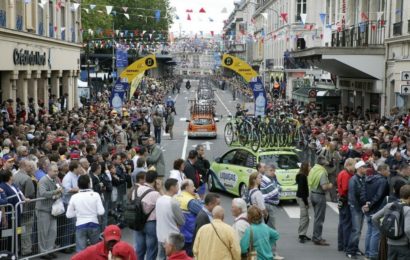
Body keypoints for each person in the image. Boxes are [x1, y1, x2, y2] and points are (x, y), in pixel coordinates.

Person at [66, 175, 105, 252]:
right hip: (94, 223)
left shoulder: (74, 197)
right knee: (96, 250)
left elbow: (68, 214)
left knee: (81, 252)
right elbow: (101, 211)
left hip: (80, 225)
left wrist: (78, 212)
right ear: (89, 184)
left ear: (78, 185)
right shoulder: (96, 195)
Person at [372, 184, 410, 259]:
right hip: (403, 244)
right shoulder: (407, 209)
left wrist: (384, 231)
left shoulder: (389, 205)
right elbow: (407, 229)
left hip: (390, 242)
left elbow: (374, 218)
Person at [360, 163, 390, 259]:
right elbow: (379, 195)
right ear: (383, 170)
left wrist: (365, 203)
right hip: (377, 209)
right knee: (375, 232)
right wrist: (370, 204)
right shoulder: (383, 181)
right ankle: (372, 254)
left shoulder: (368, 179)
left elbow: (363, 192)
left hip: (368, 208)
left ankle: (368, 253)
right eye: (388, 170)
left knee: (369, 231)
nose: (389, 172)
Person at [35, 162, 63, 260]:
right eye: (54, 171)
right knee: (43, 232)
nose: (57, 173)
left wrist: (59, 192)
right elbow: (43, 193)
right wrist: (55, 192)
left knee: (53, 231)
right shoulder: (43, 180)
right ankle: (43, 252)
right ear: (49, 171)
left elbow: (62, 189)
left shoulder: (56, 179)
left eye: (57, 170)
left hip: (53, 210)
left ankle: (50, 250)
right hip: (43, 210)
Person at [156, 178, 185, 260]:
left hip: (161, 236)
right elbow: (182, 221)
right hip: (172, 239)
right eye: (177, 186)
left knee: (160, 257)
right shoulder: (174, 202)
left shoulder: (159, 199)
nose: (178, 188)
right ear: (172, 187)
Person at [134, 170, 161, 260]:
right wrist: (160, 189)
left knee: (139, 249)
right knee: (151, 249)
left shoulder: (137, 189)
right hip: (150, 223)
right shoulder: (155, 194)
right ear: (155, 180)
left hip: (137, 222)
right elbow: (165, 203)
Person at [307, 155, 333, 246]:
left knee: (317, 217)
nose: (327, 161)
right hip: (319, 195)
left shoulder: (314, 169)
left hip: (312, 194)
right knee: (319, 218)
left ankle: (315, 236)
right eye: (326, 160)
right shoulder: (322, 171)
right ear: (323, 162)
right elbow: (324, 186)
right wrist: (330, 185)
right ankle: (317, 238)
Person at [175, 179, 203, 257]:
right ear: (187, 187)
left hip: (178, 233)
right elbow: (204, 211)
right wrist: (199, 199)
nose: (194, 188)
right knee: (189, 256)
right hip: (189, 235)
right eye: (192, 186)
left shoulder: (176, 196)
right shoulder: (190, 201)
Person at [346, 160, 367, 258]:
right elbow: (352, 196)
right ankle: (350, 251)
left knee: (358, 230)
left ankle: (355, 248)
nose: (366, 169)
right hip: (356, 208)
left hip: (360, 207)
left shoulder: (363, 178)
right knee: (356, 230)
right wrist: (358, 207)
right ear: (359, 168)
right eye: (364, 167)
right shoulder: (354, 179)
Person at [336, 158, 356, 253]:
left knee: (342, 223)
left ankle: (341, 244)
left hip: (341, 199)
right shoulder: (346, 174)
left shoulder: (342, 173)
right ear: (349, 165)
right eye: (354, 165)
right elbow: (345, 189)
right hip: (345, 200)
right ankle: (345, 245)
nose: (355, 167)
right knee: (347, 224)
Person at [296, 161, 311, 243]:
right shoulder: (302, 176)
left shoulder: (301, 175)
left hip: (301, 197)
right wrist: (306, 203)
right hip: (302, 198)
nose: (310, 168)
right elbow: (302, 191)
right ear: (305, 168)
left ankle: (303, 233)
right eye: (309, 166)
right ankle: (301, 235)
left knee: (306, 218)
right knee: (304, 217)